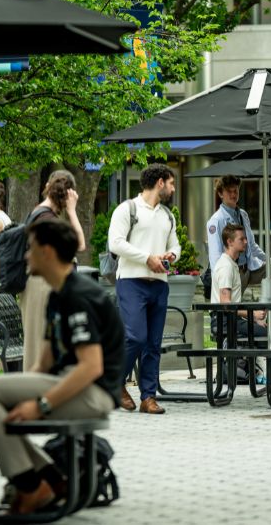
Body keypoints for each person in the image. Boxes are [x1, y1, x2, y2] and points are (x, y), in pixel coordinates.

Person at [0, 219, 124, 515]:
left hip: (93, 392)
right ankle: (49, 479)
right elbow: (44, 363)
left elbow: (90, 367)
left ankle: (30, 485)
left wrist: (41, 406)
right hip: (68, 382)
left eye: (31, 250)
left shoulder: (79, 296)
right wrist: (18, 394)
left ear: (47, 252)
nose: (26, 256)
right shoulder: (57, 295)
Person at [109, 163, 181, 415]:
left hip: (159, 285)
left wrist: (172, 255)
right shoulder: (127, 209)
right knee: (135, 337)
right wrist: (147, 258)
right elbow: (115, 243)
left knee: (152, 343)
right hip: (131, 282)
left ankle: (148, 397)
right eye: (171, 183)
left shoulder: (167, 215)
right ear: (160, 182)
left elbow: (176, 244)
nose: (173, 188)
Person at [19, 170, 86, 371]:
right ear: (68, 195)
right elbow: (80, 244)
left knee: (39, 342)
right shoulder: (47, 218)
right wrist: (72, 211)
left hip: (37, 283)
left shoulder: (40, 214)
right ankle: (36, 393)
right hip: (41, 285)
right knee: (38, 344)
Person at [206, 175, 268, 290]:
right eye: (229, 191)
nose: (233, 194)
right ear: (220, 194)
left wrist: (269, 261)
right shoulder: (216, 221)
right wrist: (221, 284)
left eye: (235, 190)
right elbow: (215, 256)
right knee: (232, 307)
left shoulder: (243, 214)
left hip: (248, 268)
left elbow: (252, 245)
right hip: (231, 274)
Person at [211, 223, 268, 336]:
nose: (246, 242)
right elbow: (226, 304)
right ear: (230, 242)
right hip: (224, 321)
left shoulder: (231, 264)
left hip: (231, 318)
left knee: (266, 330)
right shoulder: (226, 267)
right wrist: (253, 315)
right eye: (241, 239)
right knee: (265, 333)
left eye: (245, 238)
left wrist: (254, 318)